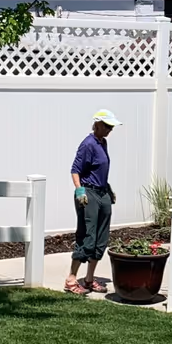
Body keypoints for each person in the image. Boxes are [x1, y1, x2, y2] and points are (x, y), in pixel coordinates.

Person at [67, 109, 117, 293]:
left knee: (100, 238)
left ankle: (89, 279)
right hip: (88, 193)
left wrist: (108, 188)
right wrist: (79, 190)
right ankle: (71, 279)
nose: (110, 129)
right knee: (87, 235)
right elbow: (75, 169)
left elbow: (98, 170)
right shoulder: (88, 144)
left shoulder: (103, 143)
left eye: (112, 126)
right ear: (97, 125)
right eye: (107, 126)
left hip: (102, 192)